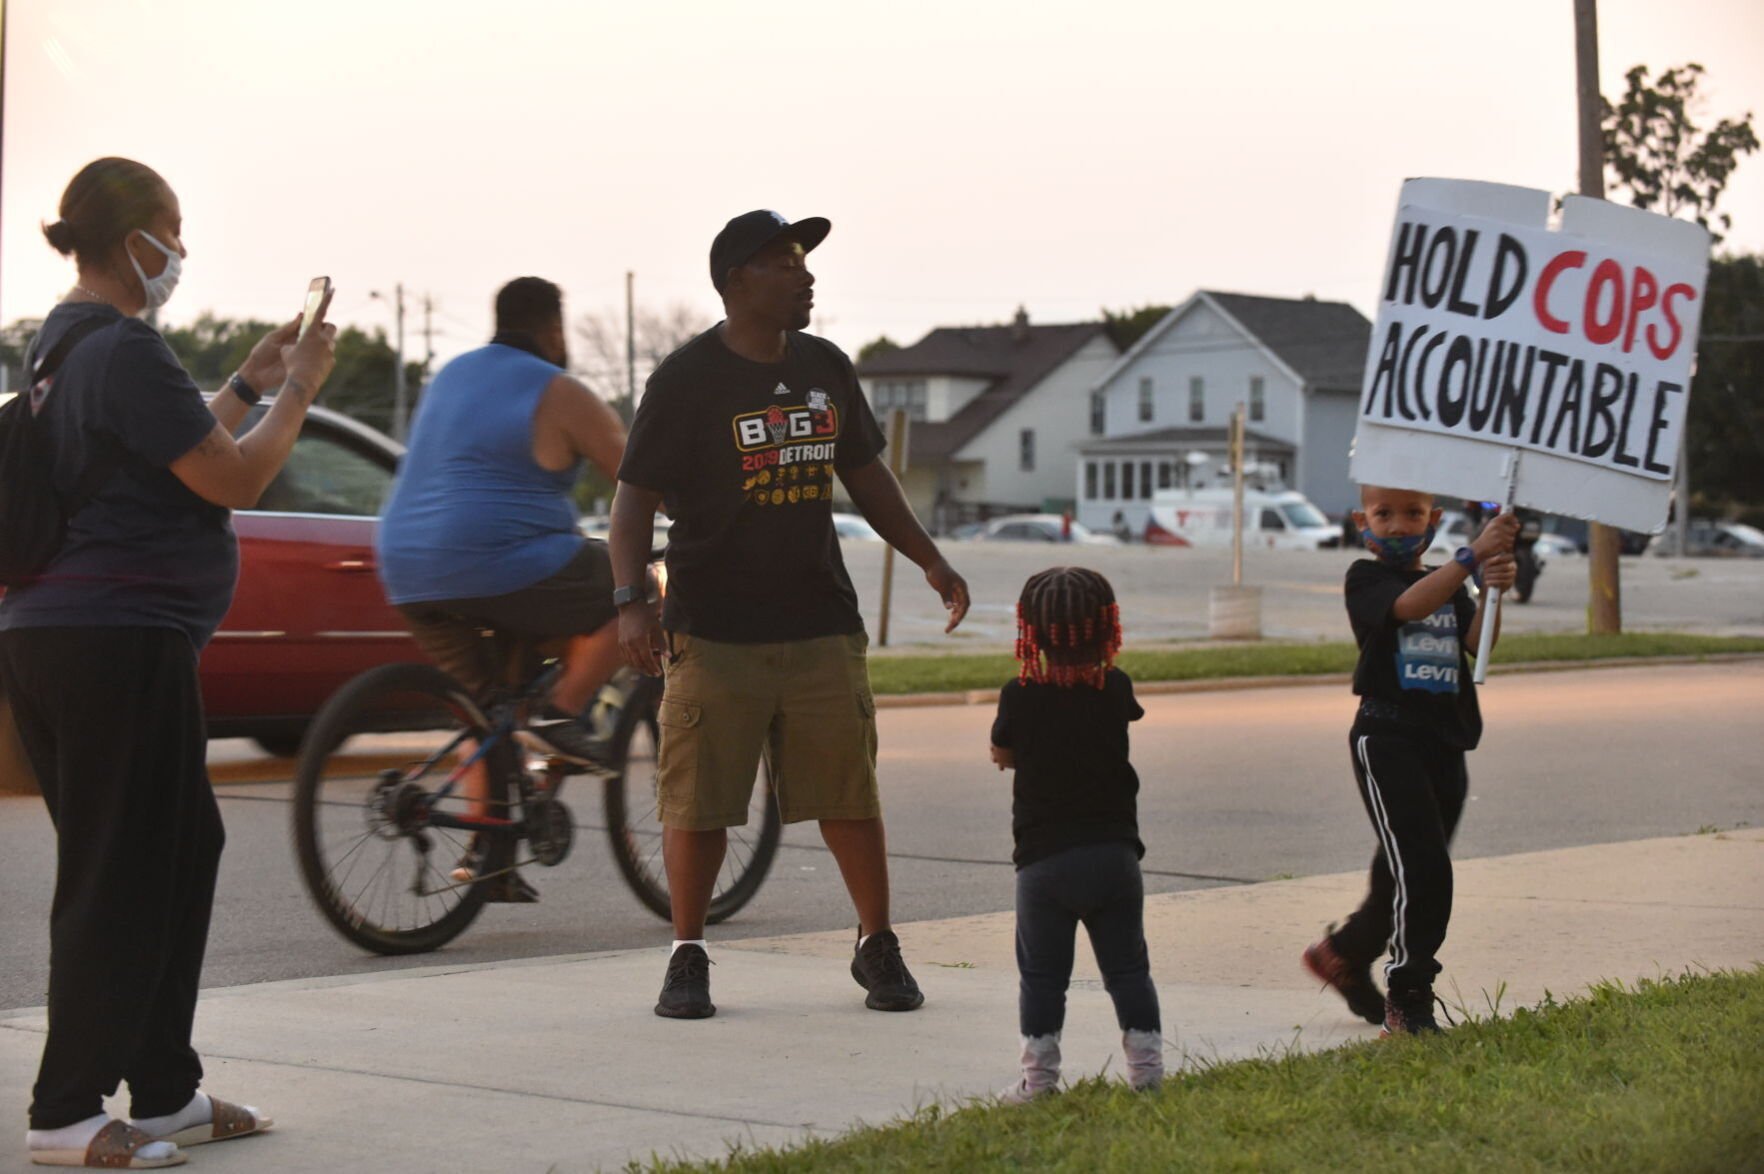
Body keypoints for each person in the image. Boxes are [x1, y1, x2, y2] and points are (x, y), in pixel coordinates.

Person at [5, 157, 337, 1168]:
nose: (181, 252)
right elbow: (230, 477)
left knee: (178, 849)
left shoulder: (62, 346)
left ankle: (164, 1091)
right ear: (131, 238)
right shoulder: (123, 350)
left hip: (68, 640)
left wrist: (248, 381)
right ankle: (65, 1110)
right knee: (120, 871)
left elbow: (172, 444)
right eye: (173, 230)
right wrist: (304, 394)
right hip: (116, 639)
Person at [610, 209, 970, 1020]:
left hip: (818, 622)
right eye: (784, 263)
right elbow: (630, 505)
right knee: (697, 801)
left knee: (849, 791)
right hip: (714, 628)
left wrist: (929, 557)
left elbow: (867, 476)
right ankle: (688, 955)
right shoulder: (686, 379)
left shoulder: (826, 367)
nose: (806, 277)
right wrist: (631, 603)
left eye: (804, 263)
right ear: (738, 282)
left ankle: (877, 944)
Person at [376, 277, 628, 900]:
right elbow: (638, 473)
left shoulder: (452, 375)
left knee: (487, 708)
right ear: (554, 330)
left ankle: (487, 851)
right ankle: (562, 709)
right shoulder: (561, 391)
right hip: (500, 563)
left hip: (407, 565)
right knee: (634, 588)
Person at [1302, 485, 1517, 1035]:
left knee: (1405, 871)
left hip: (1444, 739)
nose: (1398, 525)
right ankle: (1409, 996)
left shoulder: (1449, 581)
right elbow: (1406, 607)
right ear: (1361, 520)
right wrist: (1472, 557)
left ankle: (1344, 953)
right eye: (1384, 514)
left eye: (1413, 514)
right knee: (1423, 869)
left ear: (1434, 518)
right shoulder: (1366, 578)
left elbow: (1476, 642)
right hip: (1387, 738)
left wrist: (1492, 591)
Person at [988, 567, 1163, 1101]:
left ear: (1031, 634)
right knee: (1129, 970)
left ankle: (1038, 1084)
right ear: (1109, 628)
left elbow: (1004, 752)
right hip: (1114, 856)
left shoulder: (1018, 693)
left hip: (1044, 863)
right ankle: (1147, 1077)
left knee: (1043, 979)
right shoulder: (1116, 686)